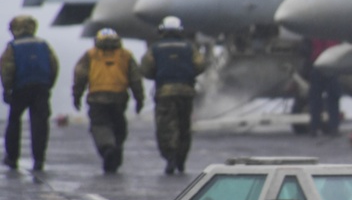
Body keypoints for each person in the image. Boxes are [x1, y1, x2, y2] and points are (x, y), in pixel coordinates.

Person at [72, 28, 145, 174]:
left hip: (97, 98)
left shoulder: (91, 54)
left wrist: (77, 95)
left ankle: (108, 149)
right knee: (119, 128)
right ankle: (114, 157)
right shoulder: (125, 55)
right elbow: (135, 78)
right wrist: (139, 98)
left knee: (100, 126)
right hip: (119, 98)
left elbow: (80, 75)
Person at [140, 16, 206, 175]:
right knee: (184, 126)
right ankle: (181, 160)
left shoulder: (155, 48)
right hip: (186, 91)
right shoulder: (189, 47)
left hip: (165, 92)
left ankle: (170, 157)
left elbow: (146, 69)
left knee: (166, 127)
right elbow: (200, 65)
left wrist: (160, 74)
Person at [2, 15, 59, 172]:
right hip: (41, 88)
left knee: (14, 121)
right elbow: (53, 66)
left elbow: (7, 69)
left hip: (20, 89)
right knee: (40, 124)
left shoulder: (12, 46)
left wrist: (7, 89)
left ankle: (12, 158)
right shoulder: (43, 45)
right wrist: (48, 85)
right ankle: (39, 159)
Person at [305, 38, 342, 136]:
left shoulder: (312, 33)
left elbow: (305, 50)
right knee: (331, 99)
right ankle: (333, 128)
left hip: (319, 66)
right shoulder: (334, 33)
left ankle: (315, 128)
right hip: (330, 66)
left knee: (317, 100)